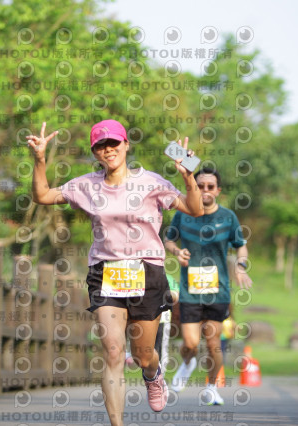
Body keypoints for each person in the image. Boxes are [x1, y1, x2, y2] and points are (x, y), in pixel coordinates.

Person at [27, 120, 203, 426]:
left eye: (114, 144)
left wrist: (188, 176)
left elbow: (195, 208)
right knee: (112, 351)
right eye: (101, 146)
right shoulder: (87, 185)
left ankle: (152, 374)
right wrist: (40, 160)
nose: (109, 150)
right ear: (95, 152)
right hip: (105, 272)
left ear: (126, 145)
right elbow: (42, 195)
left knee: (143, 355)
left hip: (147, 271)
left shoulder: (151, 182)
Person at [164, 166, 253, 406]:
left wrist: (241, 266)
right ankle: (187, 362)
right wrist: (176, 251)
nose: (205, 190)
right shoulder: (182, 214)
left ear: (218, 190)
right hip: (190, 291)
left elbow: (240, 246)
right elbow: (169, 238)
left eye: (210, 186)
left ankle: (212, 387)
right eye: (200, 185)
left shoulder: (228, 217)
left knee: (213, 343)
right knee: (190, 344)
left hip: (218, 291)